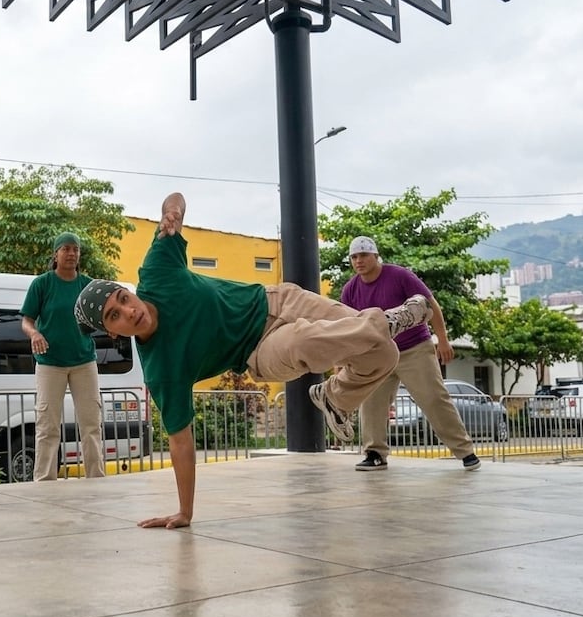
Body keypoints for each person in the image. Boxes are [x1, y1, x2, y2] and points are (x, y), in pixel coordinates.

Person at [72, 193, 431, 529]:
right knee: (322, 337)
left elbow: (175, 199)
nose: (128, 311)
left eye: (122, 298)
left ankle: (336, 397)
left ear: (129, 290)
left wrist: (172, 213)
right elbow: (180, 442)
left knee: (384, 352)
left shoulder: (157, 271)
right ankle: (390, 319)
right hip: (261, 350)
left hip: (279, 300)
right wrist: (185, 511)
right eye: (114, 315)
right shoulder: (161, 370)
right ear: (113, 332)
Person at [339, 236, 481, 472]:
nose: (359, 261)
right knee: (371, 402)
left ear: (375, 255)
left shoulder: (399, 276)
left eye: (364, 255)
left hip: (414, 348)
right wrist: (345, 360)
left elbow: (430, 304)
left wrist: (442, 340)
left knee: (434, 398)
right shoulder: (350, 289)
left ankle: (465, 451)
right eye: (354, 257)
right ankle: (375, 453)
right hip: (378, 353)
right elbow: (346, 326)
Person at [20, 232, 105, 480]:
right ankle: (44, 480)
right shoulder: (42, 284)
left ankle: (96, 478)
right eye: (66, 249)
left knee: (91, 425)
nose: (71, 253)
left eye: (75, 249)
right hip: (49, 363)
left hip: (84, 362)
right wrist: (34, 333)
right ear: (55, 254)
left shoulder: (88, 285)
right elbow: (26, 320)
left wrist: (111, 326)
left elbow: (103, 315)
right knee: (47, 426)